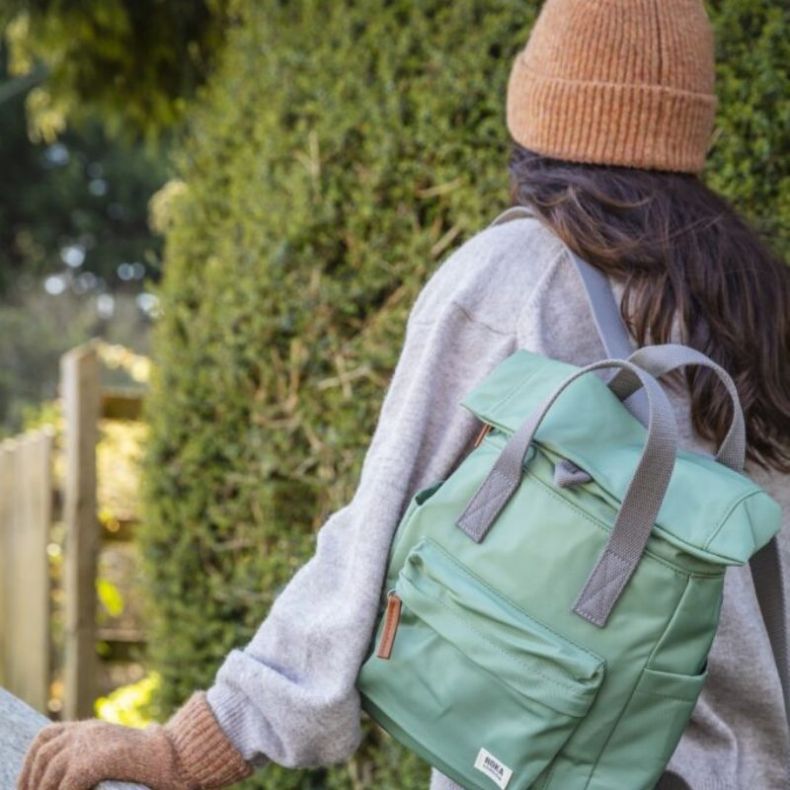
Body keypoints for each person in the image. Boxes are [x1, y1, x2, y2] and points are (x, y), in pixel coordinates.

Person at [18, 0, 790, 788]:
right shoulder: (760, 307)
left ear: (536, 110)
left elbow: (374, 533)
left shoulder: (512, 276)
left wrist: (197, 744)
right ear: (697, 128)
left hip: (552, 763)